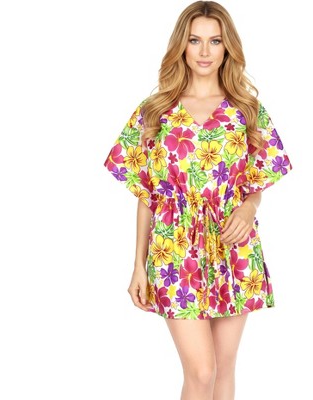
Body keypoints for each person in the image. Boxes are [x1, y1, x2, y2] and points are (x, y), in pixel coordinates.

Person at [104, 1, 292, 399]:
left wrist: (249, 206)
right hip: (174, 249)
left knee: (223, 370)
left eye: (215, 41)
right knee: (201, 371)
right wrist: (138, 265)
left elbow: (257, 178)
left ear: (227, 48)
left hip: (233, 247)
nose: (205, 51)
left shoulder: (247, 110)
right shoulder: (156, 111)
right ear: (182, 46)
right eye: (195, 40)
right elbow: (147, 194)